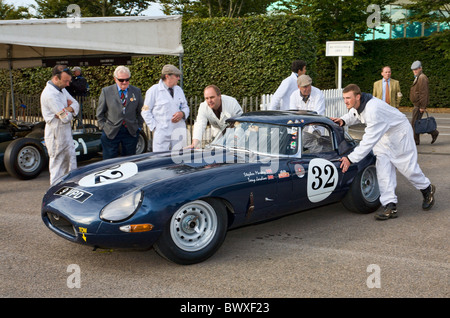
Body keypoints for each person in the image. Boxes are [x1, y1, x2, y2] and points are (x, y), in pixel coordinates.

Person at [331, 84, 436, 221]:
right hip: (383, 136)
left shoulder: (373, 109)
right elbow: (354, 114)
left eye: (348, 98)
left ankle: (427, 189)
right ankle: (390, 206)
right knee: (383, 171)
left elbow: (368, 141)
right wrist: (343, 120)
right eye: (344, 98)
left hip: (399, 134)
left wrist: (350, 159)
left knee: (408, 169)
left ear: (358, 97)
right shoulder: (360, 104)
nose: (346, 101)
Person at [40, 65, 79, 185]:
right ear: (56, 79)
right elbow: (66, 118)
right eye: (65, 81)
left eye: (69, 81)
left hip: (65, 132)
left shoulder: (61, 89)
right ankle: (55, 192)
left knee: (71, 162)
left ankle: (71, 188)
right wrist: (70, 110)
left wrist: (68, 108)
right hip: (55, 133)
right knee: (58, 167)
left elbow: (76, 104)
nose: (68, 84)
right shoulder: (50, 95)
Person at [96, 65, 144, 159]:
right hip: (111, 131)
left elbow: (140, 111)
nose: (124, 82)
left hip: (130, 131)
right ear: (115, 79)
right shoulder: (106, 91)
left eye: (127, 79)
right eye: (121, 80)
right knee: (109, 161)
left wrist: (139, 127)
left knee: (129, 161)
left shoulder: (136, 91)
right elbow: (100, 113)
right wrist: (104, 127)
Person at [141, 64, 190, 152]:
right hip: (162, 134)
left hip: (178, 132)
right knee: (160, 160)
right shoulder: (153, 91)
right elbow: (145, 111)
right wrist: (155, 127)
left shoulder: (179, 90)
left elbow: (185, 107)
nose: (179, 78)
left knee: (179, 160)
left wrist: (182, 113)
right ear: (167, 76)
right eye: (177, 76)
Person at [409, 60, 439, 145]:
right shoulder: (418, 77)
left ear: (420, 68)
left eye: (416, 69)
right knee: (416, 123)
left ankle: (416, 141)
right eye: (413, 70)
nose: (414, 71)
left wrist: (422, 106)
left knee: (414, 124)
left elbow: (424, 93)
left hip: (419, 106)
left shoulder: (422, 78)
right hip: (417, 105)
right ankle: (433, 132)